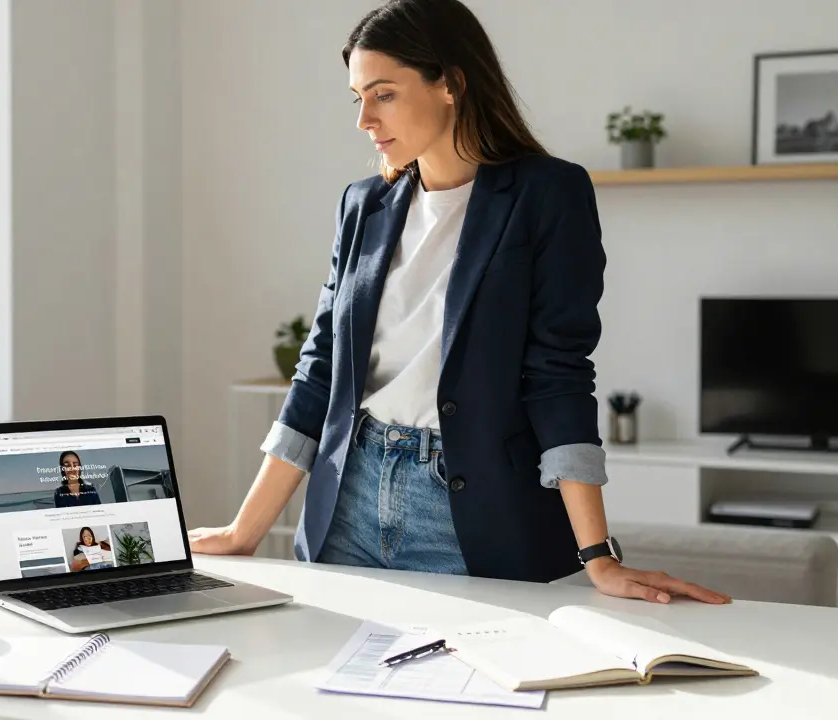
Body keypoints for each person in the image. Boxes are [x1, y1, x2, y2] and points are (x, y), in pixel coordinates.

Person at [189, 0, 730, 605]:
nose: (365, 118)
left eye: (384, 94)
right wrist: (243, 533)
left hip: (464, 513)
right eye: (358, 97)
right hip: (347, 501)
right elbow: (320, 374)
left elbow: (557, 375)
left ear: (450, 82)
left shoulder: (547, 194)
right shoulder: (362, 205)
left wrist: (598, 556)